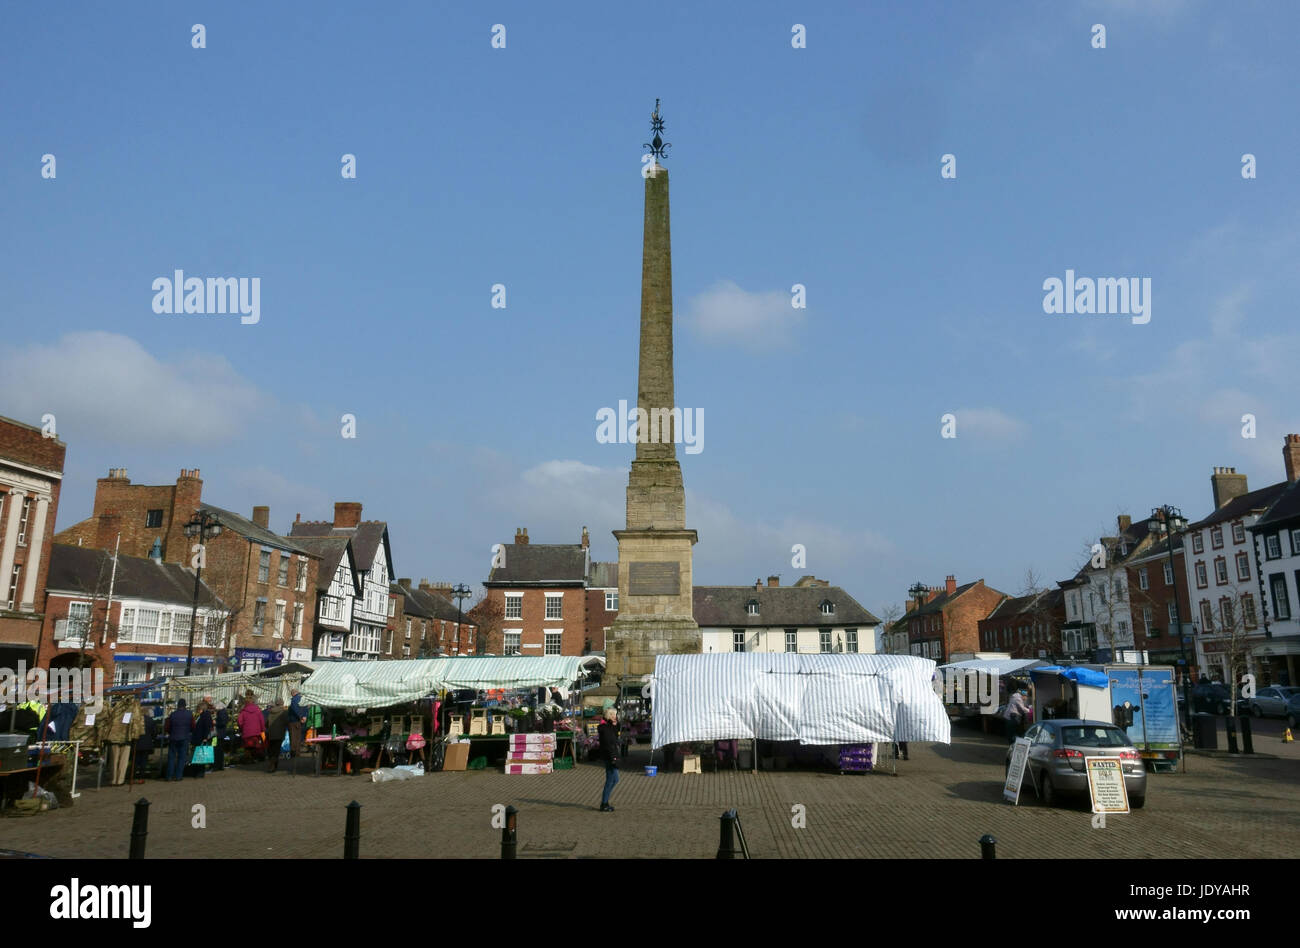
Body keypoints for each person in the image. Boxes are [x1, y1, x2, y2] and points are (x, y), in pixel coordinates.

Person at [164, 699, 194, 781]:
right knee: (182, 757)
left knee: (171, 757)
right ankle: (178, 776)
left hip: (173, 737)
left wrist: (171, 733)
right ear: (185, 705)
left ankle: (169, 776)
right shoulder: (189, 714)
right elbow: (193, 726)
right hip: (184, 737)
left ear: (178, 706)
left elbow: (167, 727)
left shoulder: (172, 714)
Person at [597, 708, 620, 812]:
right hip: (609, 756)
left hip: (611, 755)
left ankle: (605, 801)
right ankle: (604, 803)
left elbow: (614, 737)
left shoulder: (609, 726)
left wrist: (615, 725)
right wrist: (613, 758)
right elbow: (608, 744)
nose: (615, 717)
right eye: (614, 715)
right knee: (611, 779)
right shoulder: (604, 728)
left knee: (615, 779)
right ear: (610, 715)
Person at [238, 691, 266, 761]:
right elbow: (262, 721)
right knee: (257, 746)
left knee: (247, 748)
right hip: (256, 732)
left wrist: (241, 729)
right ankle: (258, 758)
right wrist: (262, 730)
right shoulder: (258, 710)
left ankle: (248, 759)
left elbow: (239, 722)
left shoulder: (243, 711)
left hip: (246, 732)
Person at [191, 701, 214, 778]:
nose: (198, 711)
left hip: (201, 738)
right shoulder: (204, 715)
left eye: (199, 709)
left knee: (200, 756)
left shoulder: (205, 716)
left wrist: (204, 738)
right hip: (200, 737)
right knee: (200, 756)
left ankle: (200, 772)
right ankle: (199, 772)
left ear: (202, 709)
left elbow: (206, 728)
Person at [265, 700, 289, 772]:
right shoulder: (284, 712)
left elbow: (266, 723)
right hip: (279, 733)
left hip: (271, 733)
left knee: (271, 749)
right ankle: (273, 764)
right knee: (276, 750)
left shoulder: (271, 712)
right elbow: (286, 722)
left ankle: (272, 763)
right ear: (282, 704)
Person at [287, 688, 307, 760]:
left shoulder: (293, 700)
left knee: (293, 737)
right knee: (299, 737)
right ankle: (298, 752)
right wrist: (304, 716)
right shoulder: (303, 699)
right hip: (300, 721)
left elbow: (295, 709)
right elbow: (306, 708)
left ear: (293, 693)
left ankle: (293, 752)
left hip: (293, 721)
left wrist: (300, 716)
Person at [213, 701, 230, 771]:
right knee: (220, 750)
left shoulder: (221, 713)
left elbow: (222, 722)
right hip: (222, 733)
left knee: (217, 750)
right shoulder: (224, 712)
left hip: (219, 733)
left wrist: (215, 722)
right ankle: (220, 765)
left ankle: (217, 765)